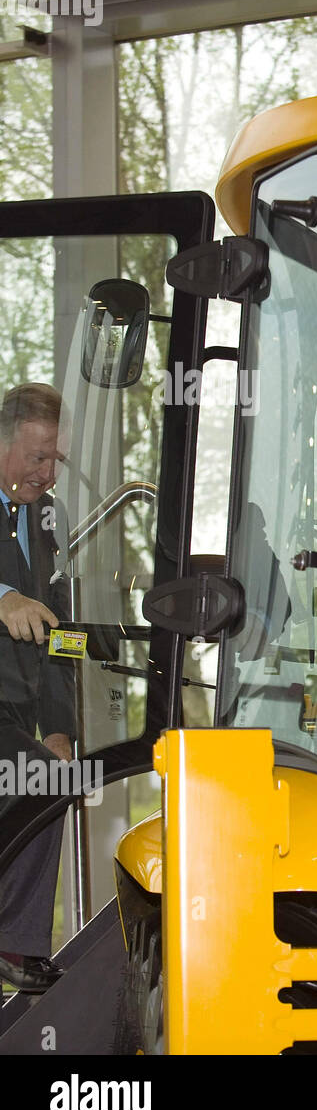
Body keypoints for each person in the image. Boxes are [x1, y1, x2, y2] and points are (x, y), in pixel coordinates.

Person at [0, 383, 76, 994]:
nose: (47, 473)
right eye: (37, 456)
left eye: (55, 460)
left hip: (15, 713)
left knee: (49, 778)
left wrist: (59, 727)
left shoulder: (43, 521)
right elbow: (20, 605)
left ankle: (16, 943)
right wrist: (3, 599)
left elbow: (57, 635)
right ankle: (12, 944)